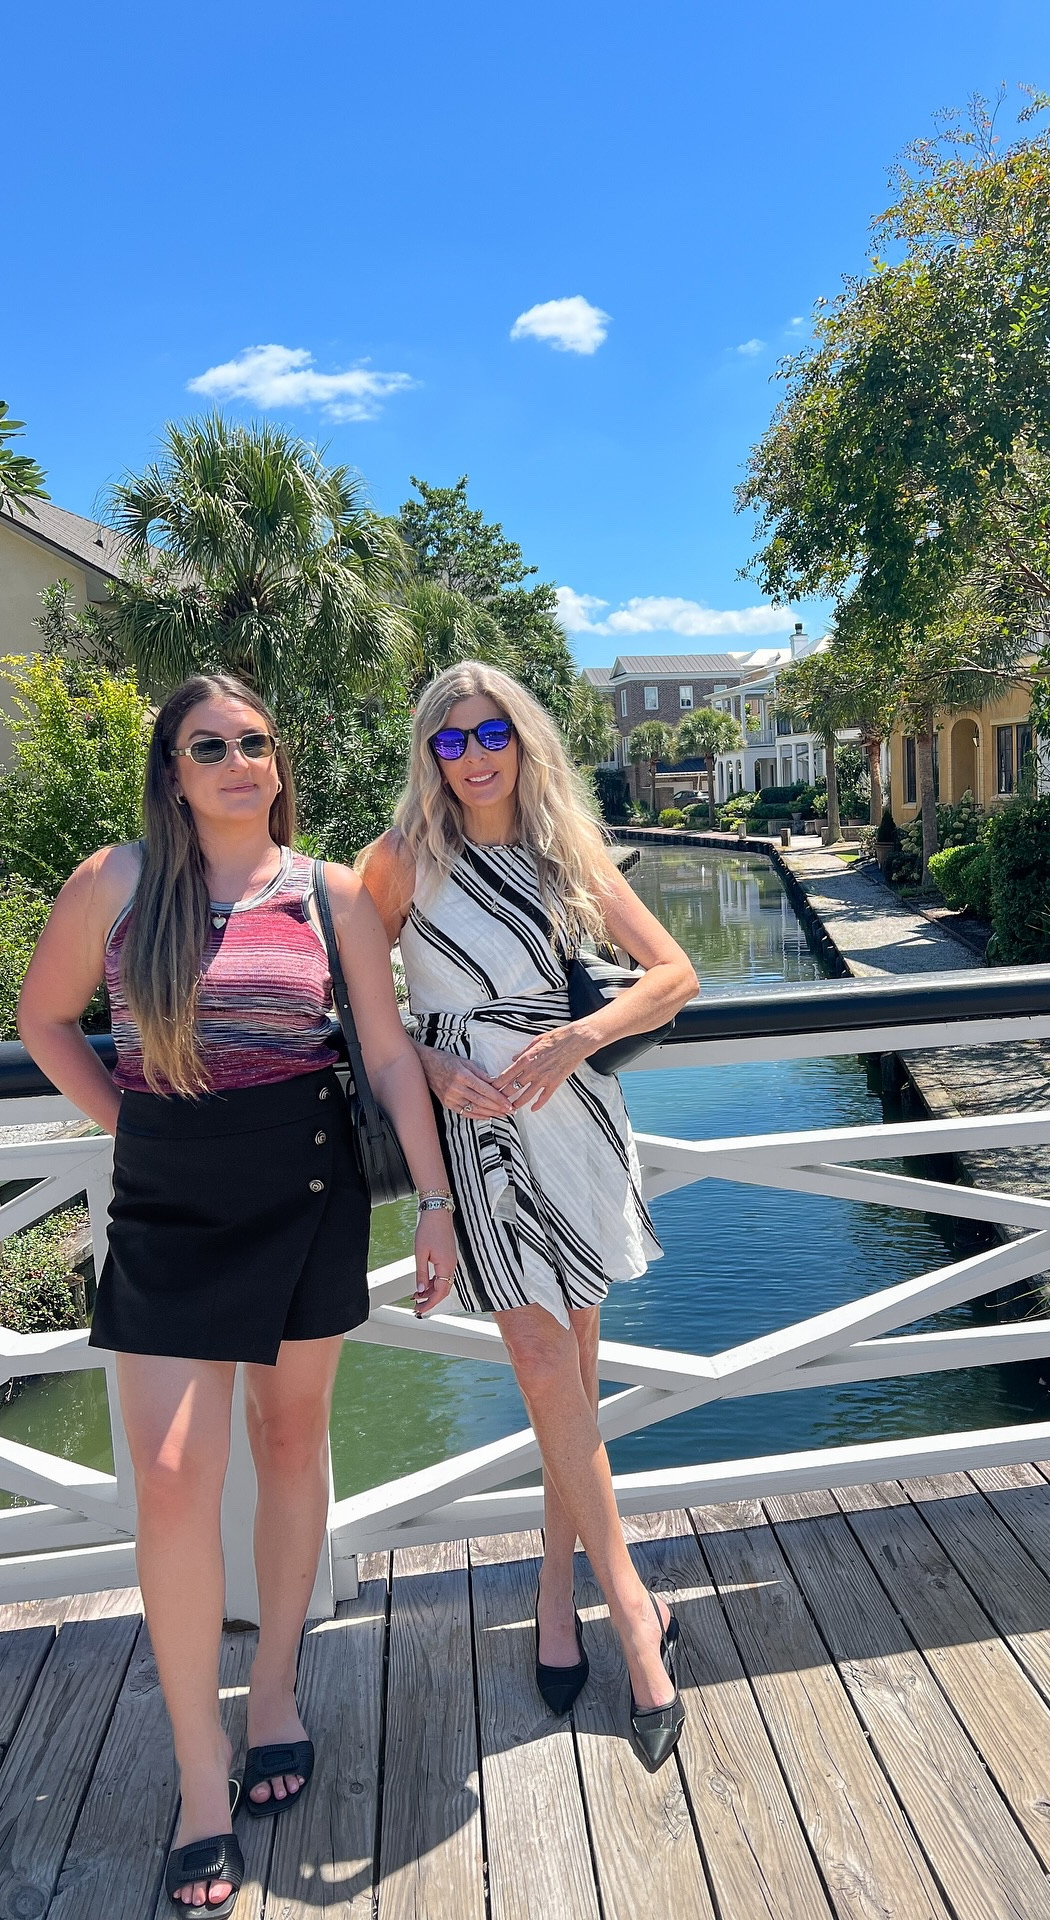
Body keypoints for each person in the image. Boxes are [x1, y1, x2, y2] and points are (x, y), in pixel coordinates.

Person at [18, 674, 455, 1918]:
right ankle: (198, 1771)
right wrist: (131, 1125)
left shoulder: (325, 894)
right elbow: (45, 1020)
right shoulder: (114, 883)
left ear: (278, 760)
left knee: (287, 1437)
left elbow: (381, 1050)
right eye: (210, 744)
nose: (237, 760)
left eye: (256, 741)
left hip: (303, 1188)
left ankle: (272, 1689)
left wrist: (430, 1201)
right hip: (168, 1206)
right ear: (173, 767)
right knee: (167, 1473)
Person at [359, 660, 699, 1770]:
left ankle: (558, 1592)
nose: (473, 756)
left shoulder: (566, 852)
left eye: (490, 732)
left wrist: (580, 1038)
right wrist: (430, 1060)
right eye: (449, 742)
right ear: (429, 756)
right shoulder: (399, 862)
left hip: (578, 1114)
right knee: (550, 1375)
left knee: (577, 1387)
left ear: (522, 737)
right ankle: (638, 1622)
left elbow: (673, 973)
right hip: (476, 1131)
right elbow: (354, 1011)